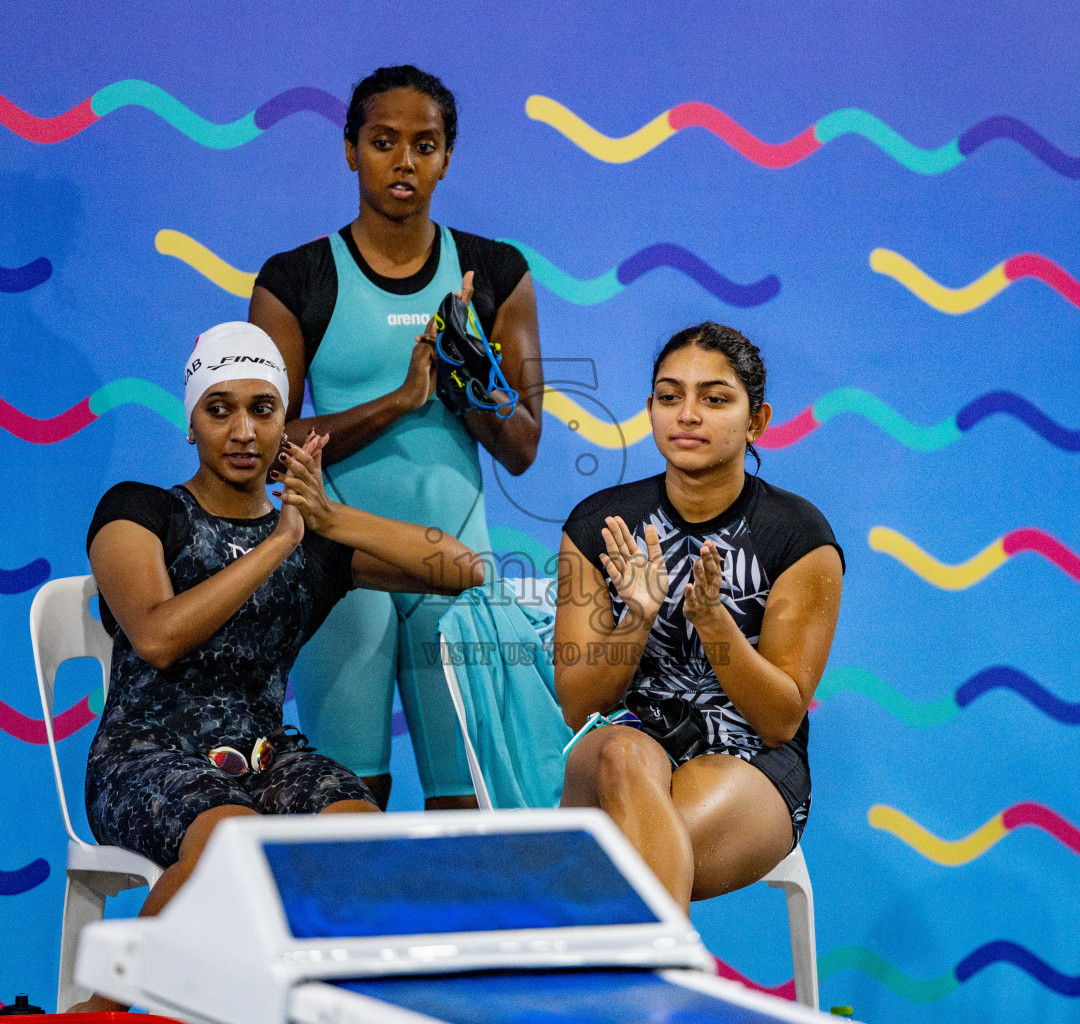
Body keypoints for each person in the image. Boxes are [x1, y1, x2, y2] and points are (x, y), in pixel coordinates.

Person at [70, 322, 484, 1010]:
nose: (242, 431)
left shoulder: (312, 539)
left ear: (285, 425)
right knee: (236, 839)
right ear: (191, 423)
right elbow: (157, 637)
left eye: (262, 410)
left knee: (363, 843)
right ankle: (106, 1011)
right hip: (142, 756)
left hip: (263, 757)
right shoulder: (138, 510)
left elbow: (461, 569)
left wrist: (327, 518)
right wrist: (279, 540)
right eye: (219, 408)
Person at [249, 65, 542, 810]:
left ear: (447, 157)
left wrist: (464, 366)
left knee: (468, 803)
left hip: (456, 568)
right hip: (339, 569)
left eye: (425, 144)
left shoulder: (497, 272)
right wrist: (399, 400)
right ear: (350, 150)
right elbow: (265, 449)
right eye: (383, 142)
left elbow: (522, 446)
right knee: (346, 804)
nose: (404, 161)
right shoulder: (296, 277)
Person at [555, 322, 844, 911]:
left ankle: (645, 986)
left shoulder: (798, 537)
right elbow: (580, 707)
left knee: (638, 856)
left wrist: (714, 624)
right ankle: (676, 988)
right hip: (621, 743)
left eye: (714, 399)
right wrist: (636, 615)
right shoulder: (599, 525)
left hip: (747, 755)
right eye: (670, 396)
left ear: (757, 421)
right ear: (650, 409)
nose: (688, 414)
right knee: (621, 752)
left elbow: (779, 719)